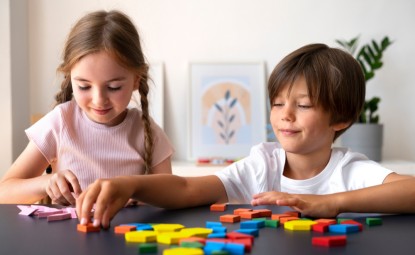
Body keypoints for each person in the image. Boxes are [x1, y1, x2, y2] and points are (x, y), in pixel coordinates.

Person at [76, 43, 415, 229]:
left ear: (340, 118)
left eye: (303, 105)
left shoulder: (348, 171)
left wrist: (331, 202)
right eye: (278, 103)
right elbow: (186, 187)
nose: (285, 114)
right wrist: (130, 184)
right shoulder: (262, 165)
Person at [0, 10, 174, 205]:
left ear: (136, 80)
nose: (99, 100)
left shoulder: (145, 130)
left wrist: (137, 191)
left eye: (114, 87)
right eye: (84, 86)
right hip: (68, 235)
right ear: (70, 79)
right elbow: (4, 191)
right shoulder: (59, 123)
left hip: (126, 235)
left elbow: (173, 194)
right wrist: (46, 183)